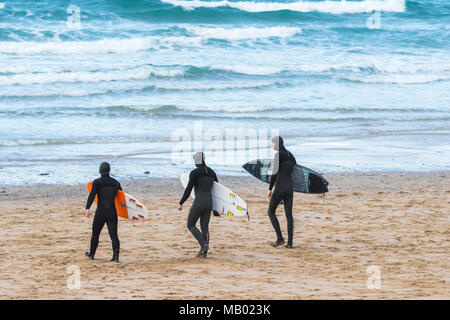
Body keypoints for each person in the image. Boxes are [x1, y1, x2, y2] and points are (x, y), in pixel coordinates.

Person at [178, 152, 219, 258]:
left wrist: (181, 202)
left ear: (196, 161)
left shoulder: (195, 173)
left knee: (190, 224)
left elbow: (188, 189)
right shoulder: (211, 172)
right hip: (209, 202)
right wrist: (215, 209)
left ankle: (203, 245)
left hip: (199, 201)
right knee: (205, 228)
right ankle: (204, 253)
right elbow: (218, 192)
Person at [85, 162, 122, 262]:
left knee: (95, 234)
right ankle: (116, 257)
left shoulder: (97, 182)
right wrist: (124, 213)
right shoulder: (116, 183)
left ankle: (92, 254)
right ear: (109, 170)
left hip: (100, 212)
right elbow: (121, 199)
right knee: (114, 235)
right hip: (112, 213)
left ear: (100, 170)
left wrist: (87, 208)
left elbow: (92, 195)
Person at [267, 136, 296, 248]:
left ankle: (280, 239)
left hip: (280, 187)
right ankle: (290, 243)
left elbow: (274, 173)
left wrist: (270, 189)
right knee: (289, 216)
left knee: (271, 212)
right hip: (289, 188)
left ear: (277, 144)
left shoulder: (278, 155)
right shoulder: (291, 155)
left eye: (273, 143)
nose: (272, 145)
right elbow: (296, 172)